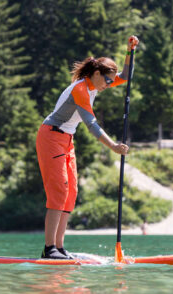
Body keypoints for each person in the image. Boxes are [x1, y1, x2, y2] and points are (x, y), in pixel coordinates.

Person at [36, 35, 140, 259]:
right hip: (50, 137)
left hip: (66, 140)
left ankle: (60, 247)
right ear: (95, 74)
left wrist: (130, 51)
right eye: (107, 81)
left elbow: (126, 77)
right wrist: (113, 145)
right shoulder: (81, 90)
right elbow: (91, 124)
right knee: (59, 191)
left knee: (71, 192)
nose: (110, 85)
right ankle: (49, 248)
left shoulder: (96, 85)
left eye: (111, 82)